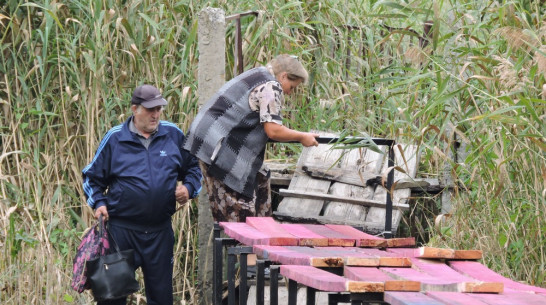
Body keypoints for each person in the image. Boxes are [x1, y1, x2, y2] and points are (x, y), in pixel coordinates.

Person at [82, 84, 202, 305]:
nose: (155, 114)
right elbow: (91, 177)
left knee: (161, 298)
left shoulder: (173, 134)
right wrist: (98, 203)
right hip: (122, 233)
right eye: (150, 109)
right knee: (112, 298)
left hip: (159, 232)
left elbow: (195, 169)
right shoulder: (115, 138)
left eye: (158, 108)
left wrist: (188, 189)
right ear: (135, 109)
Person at [184, 54, 319, 223]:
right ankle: (247, 244)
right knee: (239, 208)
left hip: (209, 138)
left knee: (261, 175)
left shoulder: (259, 73)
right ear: (283, 76)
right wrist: (302, 137)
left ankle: (263, 228)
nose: (289, 92)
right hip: (216, 145)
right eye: (291, 86)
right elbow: (273, 130)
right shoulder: (271, 86)